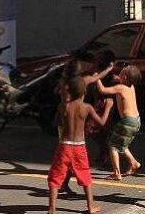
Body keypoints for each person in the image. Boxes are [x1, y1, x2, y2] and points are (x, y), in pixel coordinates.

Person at [47, 76, 113, 214]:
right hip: (79, 146)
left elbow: (55, 122)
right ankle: (91, 206)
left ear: (69, 91)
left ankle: (52, 209)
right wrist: (107, 108)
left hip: (64, 145)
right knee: (84, 174)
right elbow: (101, 123)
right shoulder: (86, 107)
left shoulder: (64, 106)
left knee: (55, 176)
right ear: (85, 92)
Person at [54, 58, 114, 193]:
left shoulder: (65, 84)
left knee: (67, 156)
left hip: (64, 121)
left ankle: (62, 183)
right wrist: (108, 69)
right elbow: (96, 77)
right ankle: (63, 183)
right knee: (71, 158)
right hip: (71, 123)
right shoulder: (79, 83)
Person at [96, 65, 142, 181]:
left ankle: (117, 173)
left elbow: (102, 90)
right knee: (121, 143)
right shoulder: (131, 87)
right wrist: (119, 78)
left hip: (128, 122)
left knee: (112, 145)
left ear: (125, 78)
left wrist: (96, 78)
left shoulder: (120, 88)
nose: (118, 74)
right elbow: (124, 81)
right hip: (136, 120)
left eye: (121, 73)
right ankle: (134, 163)